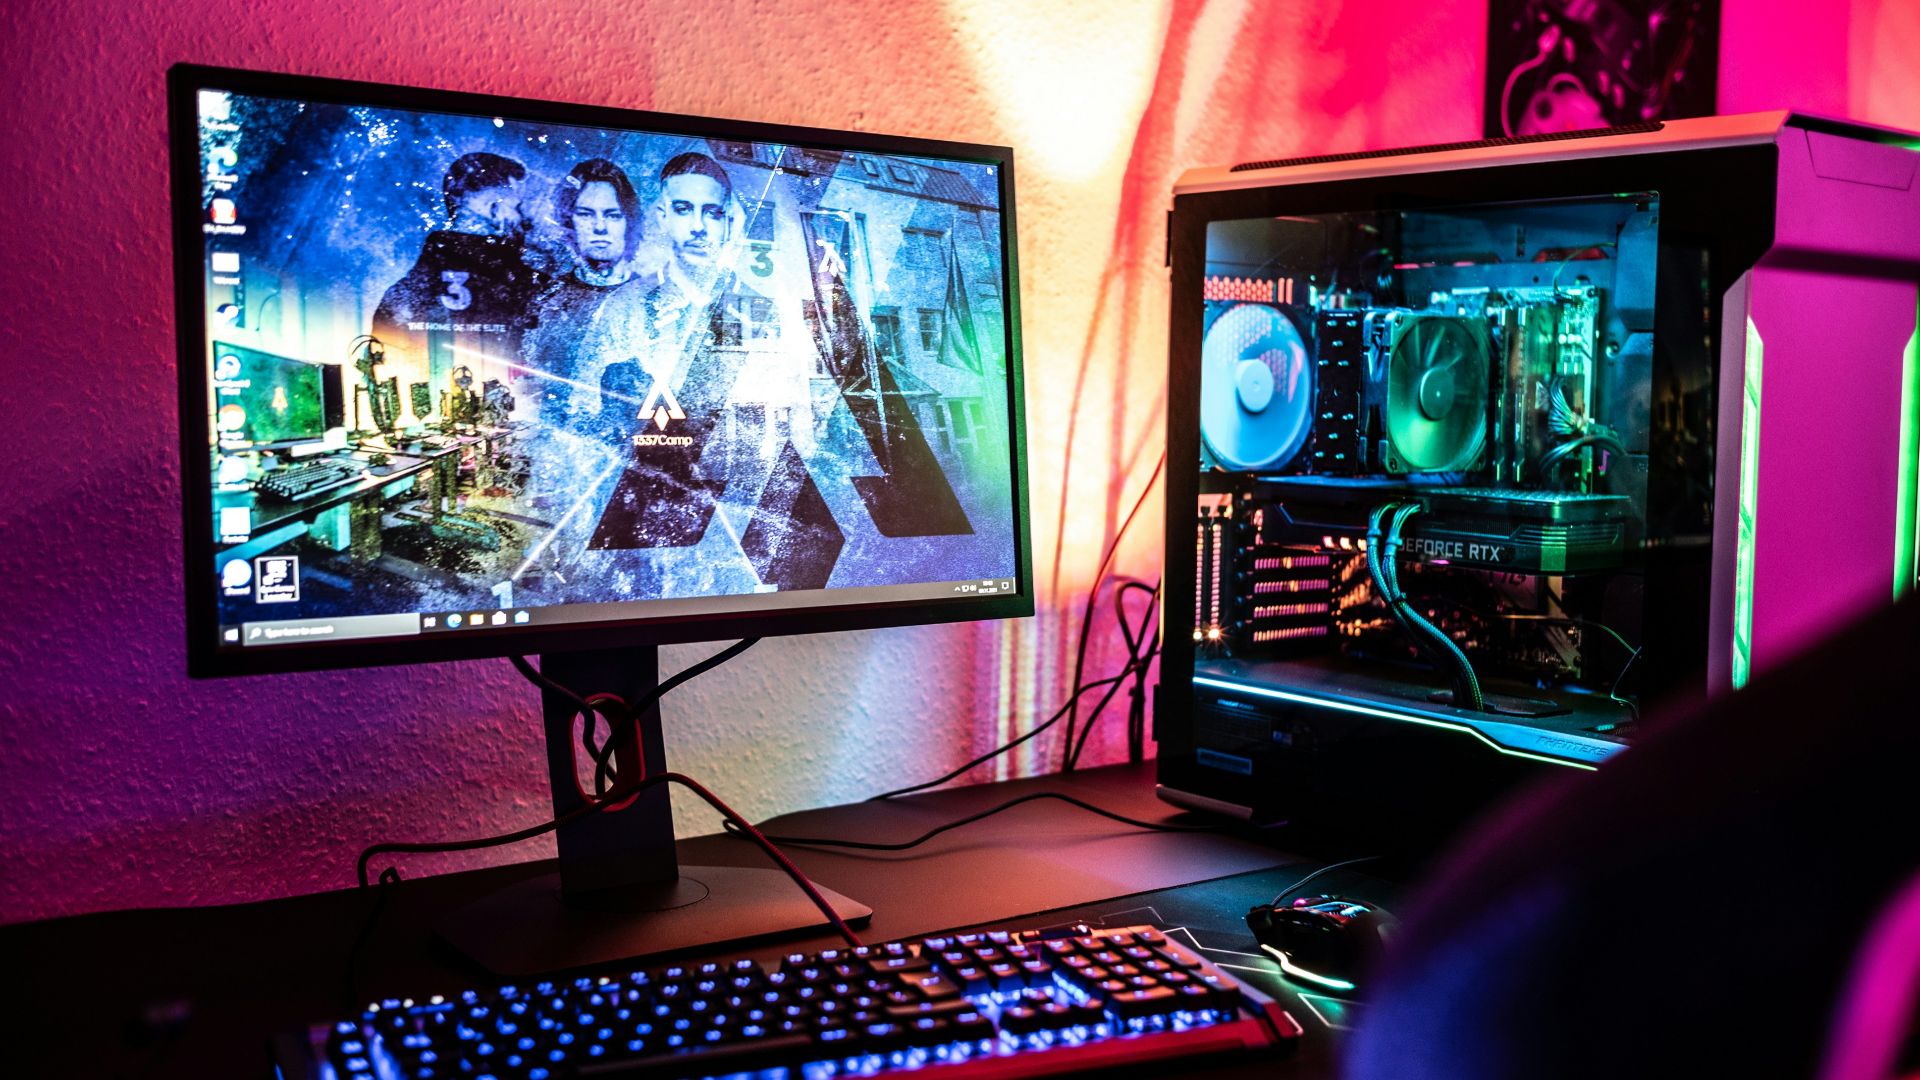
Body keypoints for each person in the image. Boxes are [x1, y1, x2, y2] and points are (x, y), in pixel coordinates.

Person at [370, 153, 545, 423]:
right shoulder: (515, 277)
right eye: (518, 206)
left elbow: (387, 336)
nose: (526, 218)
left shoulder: (417, 283)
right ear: (495, 210)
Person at [520, 158, 644, 429]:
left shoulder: (652, 301)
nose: (600, 227)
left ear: (628, 222)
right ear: (570, 221)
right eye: (586, 214)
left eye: (613, 215)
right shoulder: (546, 302)